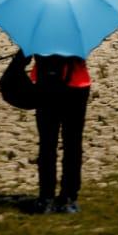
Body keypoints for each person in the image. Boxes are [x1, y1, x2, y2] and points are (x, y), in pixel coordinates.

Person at [32, 53, 91, 214]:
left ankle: (47, 197)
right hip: (75, 83)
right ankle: (68, 197)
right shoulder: (78, 28)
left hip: (48, 83)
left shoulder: (39, 29)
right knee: (70, 144)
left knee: (48, 144)